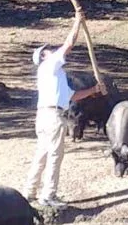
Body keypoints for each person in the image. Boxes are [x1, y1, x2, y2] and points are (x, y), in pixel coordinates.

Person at [23, 11, 101, 207]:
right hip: (52, 116)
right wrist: (77, 22)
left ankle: (29, 191)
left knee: (41, 153)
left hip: (44, 116)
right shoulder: (49, 65)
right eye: (48, 50)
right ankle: (48, 195)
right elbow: (68, 45)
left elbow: (73, 96)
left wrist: (95, 90)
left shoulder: (55, 75)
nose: (51, 50)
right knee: (55, 155)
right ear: (43, 56)